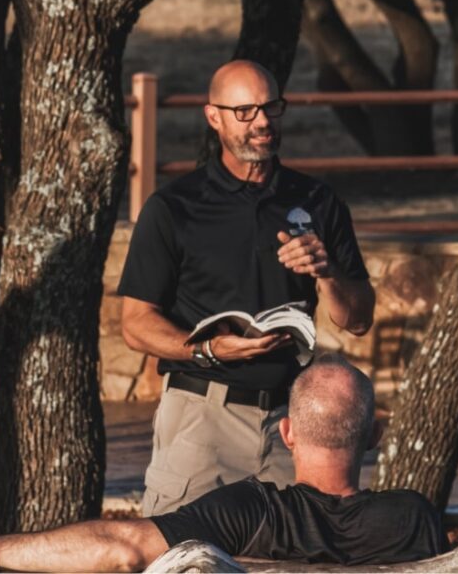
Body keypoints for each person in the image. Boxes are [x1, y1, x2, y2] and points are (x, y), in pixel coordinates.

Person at [118, 60, 376, 516]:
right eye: (245, 111)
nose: (261, 122)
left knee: (294, 561)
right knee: (185, 559)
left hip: (291, 426)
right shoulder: (174, 207)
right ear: (213, 116)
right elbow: (136, 325)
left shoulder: (317, 201)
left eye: (270, 107)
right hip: (204, 417)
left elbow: (357, 319)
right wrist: (211, 350)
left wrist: (327, 270)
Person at [0, 356, 449, 572]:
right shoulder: (413, 520)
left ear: (287, 434)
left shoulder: (251, 510)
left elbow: (123, 548)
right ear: (372, 437)